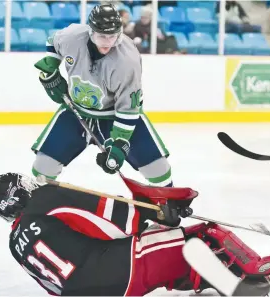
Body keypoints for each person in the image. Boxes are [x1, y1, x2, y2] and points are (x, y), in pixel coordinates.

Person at [0, 172, 270, 296]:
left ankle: (213, 284)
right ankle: (258, 282)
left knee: (166, 254)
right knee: (200, 238)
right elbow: (118, 223)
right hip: (119, 273)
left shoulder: (15, 242)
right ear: (22, 192)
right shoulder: (45, 200)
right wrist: (158, 213)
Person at [31, 4, 173, 188]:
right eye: (101, 36)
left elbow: (128, 109)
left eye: (112, 36)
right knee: (43, 168)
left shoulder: (127, 60)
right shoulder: (72, 37)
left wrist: (120, 143)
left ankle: (168, 207)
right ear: (91, 31)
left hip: (115, 115)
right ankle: (41, 205)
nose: (107, 42)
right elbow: (53, 42)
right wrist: (50, 66)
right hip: (76, 112)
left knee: (158, 169)